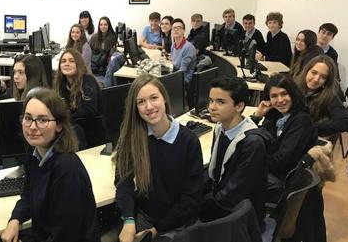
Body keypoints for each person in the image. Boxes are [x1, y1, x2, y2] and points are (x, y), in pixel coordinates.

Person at [113, 74, 204, 241]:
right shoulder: (132, 138)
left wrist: (156, 230)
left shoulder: (188, 140)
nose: (148, 107)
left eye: (154, 98)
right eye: (141, 102)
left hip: (180, 223)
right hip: (146, 218)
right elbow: (123, 182)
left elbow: (192, 197)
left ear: (164, 99)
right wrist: (128, 220)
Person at [0, 89, 97, 242]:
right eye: (28, 118)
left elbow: (65, 236)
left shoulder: (67, 169)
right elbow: (28, 196)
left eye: (42, 120)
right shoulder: (35, 155)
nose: (32, 127)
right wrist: (15, 219)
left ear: (58, 125)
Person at [205, 76, 268, 227]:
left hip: (239, 217)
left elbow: (235, 192)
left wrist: (203, 203)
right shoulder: (220, 129)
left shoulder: (252, 143)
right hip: (222, 201)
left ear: (239, 106)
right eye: (211, 100)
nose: (212, 107)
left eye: (220, 102)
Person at [252, 73, 317, 200]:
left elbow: (283, 159)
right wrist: (257, 116)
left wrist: (255, 163)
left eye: (284, 94)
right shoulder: (277, 117)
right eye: (274, 96)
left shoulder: (301, 121)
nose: (280, 100)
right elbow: (256, 138)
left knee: (237, 175)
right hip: (274, 172)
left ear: (293, 94)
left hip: (283, 181)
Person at [295, 55, 348, 140]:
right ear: (306, 71)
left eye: (323, 77)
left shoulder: (330, 97)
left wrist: (312, 128)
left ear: (327, 81)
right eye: (314, 72)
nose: (316, 79)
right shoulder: (294, 87)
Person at [53, 49, 101, 120]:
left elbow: (89, 111)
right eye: (63, 61)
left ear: (78, 64)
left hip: (91, 125)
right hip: (72, 124)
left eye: (71, 61)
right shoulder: (61, 83)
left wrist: (64, 117)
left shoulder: (88, 80)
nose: (67, 64)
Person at [170, 18, 196, 85]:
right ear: (171, 31)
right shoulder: (173, 45)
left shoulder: (188, 47)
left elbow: (182, 71)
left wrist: (168, 78)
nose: (176, 29)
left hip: (184, 80)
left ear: (184, 31)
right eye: (174, 28)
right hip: (176, 73)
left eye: (179, 28)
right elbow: (174, 63)